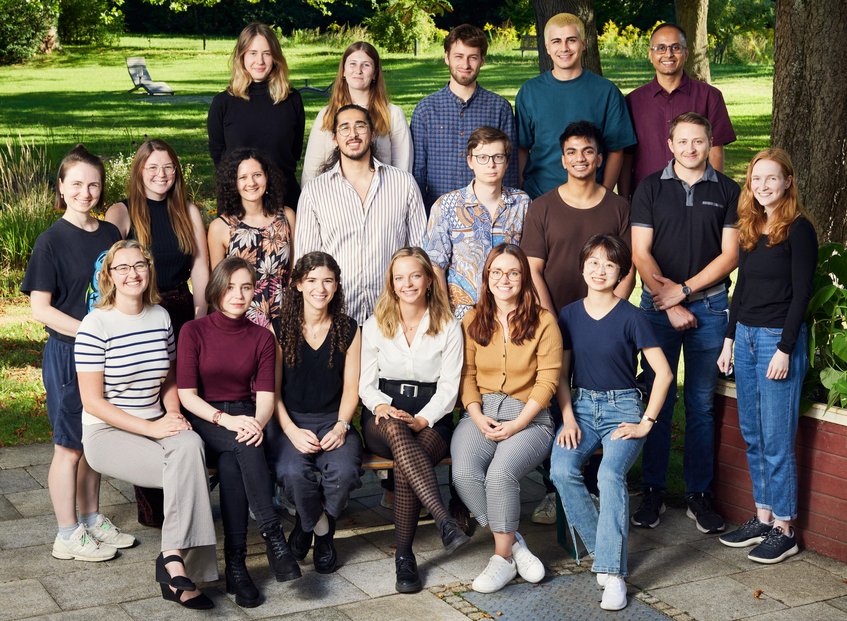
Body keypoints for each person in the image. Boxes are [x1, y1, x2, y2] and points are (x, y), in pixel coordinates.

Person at [75, 240, 216, 610]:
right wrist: (153, 429)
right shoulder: (95, 324)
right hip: (108, 433)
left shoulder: (160, 317)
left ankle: (172, 560)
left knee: (191, 446)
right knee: (187, 471)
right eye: (122, 268)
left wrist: (172, 413)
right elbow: (92, 402)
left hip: (157, 421)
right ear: (109, 276)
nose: (132, 273)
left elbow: (168, 379)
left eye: (139, 265)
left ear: (149, 270)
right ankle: (182, 573)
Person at [550, 234, 673, 611]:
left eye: (609, 264)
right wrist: (568, 418)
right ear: (583, 266)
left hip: (624, 408)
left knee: (608, 475)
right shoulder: (569, 315)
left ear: (621, 272)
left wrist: (646, 422)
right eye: (594, 262)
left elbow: (665, 374)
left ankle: (614, 575)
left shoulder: (632, 316)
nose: (600, 270)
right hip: (583, 407)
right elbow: (561, 375)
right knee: (561, 468)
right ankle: (604, 549)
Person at [630, 112, 740, 533]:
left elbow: (729, 256)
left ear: (710, 143)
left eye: (699, 142)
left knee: (700, 404)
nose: (691, 149)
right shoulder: (651, 188)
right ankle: (653, 491)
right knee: (658, 399)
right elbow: (641, 253)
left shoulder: (729, 190)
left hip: (710, 309)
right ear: (670, 143)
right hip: (657, 310)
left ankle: (699, 494)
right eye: (683, 142)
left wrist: (685, 292)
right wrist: (668, 300)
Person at [521, 120, 634, 524]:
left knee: (594, 392)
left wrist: (610, 315)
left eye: (588, 151)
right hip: (554, 316)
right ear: (562, 158)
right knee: (556, 395)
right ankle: (555, 489)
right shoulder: (543, 206)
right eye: (572, 152)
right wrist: (551, 318)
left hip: (603, 318)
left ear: (600, 158)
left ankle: (591, 483)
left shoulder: (618, 207)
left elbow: (629, 268)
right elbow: (533, 269)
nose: (580, 158)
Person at [21, 145, 127, 562]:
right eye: (77, 184)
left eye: (94, 184)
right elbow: (39, 309)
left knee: (93, 439)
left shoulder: (109, 236)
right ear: (62, 187)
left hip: (106, 355)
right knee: (68, 445)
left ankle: (91, 518)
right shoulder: (50, 241)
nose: (86, 192)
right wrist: (92, 330)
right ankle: (66, 533)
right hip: (69, 354)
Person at [177, 257, 302, 608]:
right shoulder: (193, 331)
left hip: (247, 419)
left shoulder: (262, 337)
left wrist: (257, 424)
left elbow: (266, 398)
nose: (238, 294)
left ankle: (236, 566)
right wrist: (227, 421)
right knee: (241, 444)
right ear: (217, 288)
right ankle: (273, 536)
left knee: (236, 461)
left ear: (254, 292)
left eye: (246, 287)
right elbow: (187, 396)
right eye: (231, 287)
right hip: (207, 419)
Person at [716, 149, 817, 564]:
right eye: (756, 179)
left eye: (771, 179)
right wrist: (729, 340)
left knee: (776, 441)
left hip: (777, 339)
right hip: (747, 336)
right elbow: (741, 290)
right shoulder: (752, 227)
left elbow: (801, 296)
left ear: (788, 182)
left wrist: (785, 349)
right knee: (754, 435)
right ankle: (763, 516)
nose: (762, 186)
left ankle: (785, 528)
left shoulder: (799, 230)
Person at [106, 138, 211, 527]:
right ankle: (154, 505)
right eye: (152, 168)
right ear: (138, 171)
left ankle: (187, 487)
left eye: (168, 167)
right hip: (141, 313)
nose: (161, 175)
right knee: (149, 399)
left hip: (183, 313)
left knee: (183, 397)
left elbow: (200, 266)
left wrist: (200, 316)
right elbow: (109, 267)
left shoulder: (188, 210)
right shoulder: (121, 212)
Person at [452, 243, 562, 594]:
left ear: (523, 278)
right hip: (481, 412)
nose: (505, 279)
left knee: (500, 474)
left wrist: (517, 424)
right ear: (486, 277)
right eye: (496, 272)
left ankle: (501, 559)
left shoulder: (543, 321)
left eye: (513, 272)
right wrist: (475, 415)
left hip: (528, 416)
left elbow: (548, 381)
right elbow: (466, 376)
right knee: (464, 472)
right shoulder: (472, 319)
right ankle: (514, 541)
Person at [360, 247, 470, 593]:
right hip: (383, 413)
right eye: (399, 277)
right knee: (395, 429)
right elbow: (365, 383)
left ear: (427, 281)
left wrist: (423, 419)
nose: (407, 283)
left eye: (415, 276)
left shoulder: (448, 325)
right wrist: (382, 406)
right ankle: (444, 520)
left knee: (410, 459)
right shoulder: (375, 324)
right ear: (391, 284)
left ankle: (404, 558)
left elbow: (450, 387)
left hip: (432, 414)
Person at [295, 104, 427, 324]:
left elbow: (420, 253)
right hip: (336, 316)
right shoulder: (315, 191)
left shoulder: (403, 184)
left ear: (372, 134)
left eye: (360, 126)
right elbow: (306, 261)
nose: (353, 134)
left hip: (393, 315)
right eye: (344, 128)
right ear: (335, 138)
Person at [274, 252, 363, 575]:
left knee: (343, 474)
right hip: (291, 421)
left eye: (327, 280)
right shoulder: (280, 328)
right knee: (292, 472)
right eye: (311, 280)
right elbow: (272, 392)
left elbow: (351, 388)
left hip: (333, 419)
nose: (320, 288)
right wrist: (291, 430)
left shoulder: (349, 329)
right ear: (298, 285)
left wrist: (341, 426)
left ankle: (304, 526)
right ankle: (324, 535)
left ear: (337, 286)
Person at [516, 13, 636, 199]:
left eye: (571, 40)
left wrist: (604, 193)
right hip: (539, 196)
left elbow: (616, 149)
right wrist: (523, 188)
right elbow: (522, 147)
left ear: (583, 43)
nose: (564, 48)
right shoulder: (530, 91)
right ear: (547, 47)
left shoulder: (606, 91)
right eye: (556, 41)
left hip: (590, 197)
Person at [620, 23, 736, 199]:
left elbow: (715, 150)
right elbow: (627, 156)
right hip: (647, 200)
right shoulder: (632, 101)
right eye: (661, 48)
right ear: (650, 54)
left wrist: (714, 196)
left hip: (696, 196)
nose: (668, 54)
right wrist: (624, 200)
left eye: (676, 48)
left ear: (686, 53)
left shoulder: (710, 96)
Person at [424, 126, 529, 319]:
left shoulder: (521, 203)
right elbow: (435, 265)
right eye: (482, 157)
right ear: (470, 161)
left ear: (506, 162)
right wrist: (445, 316)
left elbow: (529, 260)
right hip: (462, 313)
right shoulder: (446, 206)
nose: (491, 164)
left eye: (498, 157)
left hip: (511, 313)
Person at [411, 24, 518, 210]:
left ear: (482, 60)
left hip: (488, 212)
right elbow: (418, 171)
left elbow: (510, 168)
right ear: (446, 58)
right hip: (439, 213)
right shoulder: (426, 110)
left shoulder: (499, 108)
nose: (465, 65)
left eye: (473, 58)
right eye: (458, 57)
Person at [208, 22, 305, 208]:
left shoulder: (291, 99)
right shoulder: (223, 103)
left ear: (276, 57)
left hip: (284, 200)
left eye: (266, 53)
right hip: (237, 203)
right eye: (253, 53)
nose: (260, 61)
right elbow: (219, 156)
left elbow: (294, 152)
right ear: (241, 56)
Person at [208, 148, 296, 336]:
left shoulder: (287, 216)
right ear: (234, 183)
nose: (251, 183)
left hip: (283, 314)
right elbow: (219, 286)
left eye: (257, 175)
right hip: (241, 317)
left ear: (267, 177)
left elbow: (295, 270)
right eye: (243, 177)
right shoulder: (220, 227)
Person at [301, 41, 412, 187]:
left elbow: (403, 170)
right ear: (343, 72)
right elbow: (311, 171)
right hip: (333, 201)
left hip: (383, 201)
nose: (358, 70)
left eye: (366, 65)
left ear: (374, 74)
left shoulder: (393, 115)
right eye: (352, 64)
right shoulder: (326, 115)